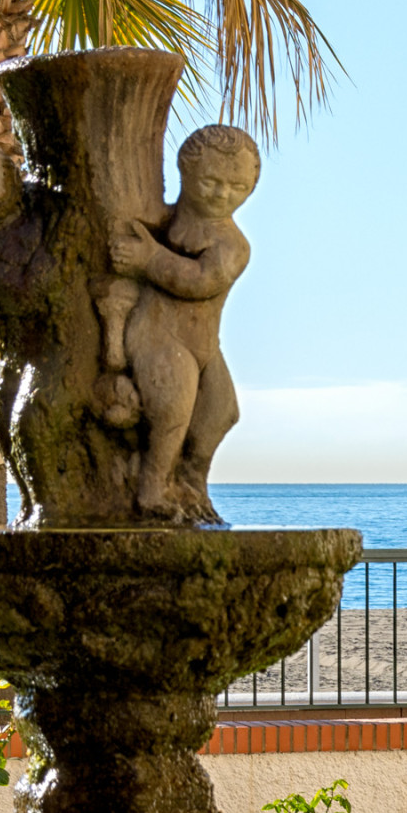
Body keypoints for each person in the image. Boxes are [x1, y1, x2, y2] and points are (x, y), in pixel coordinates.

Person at [103, 124, 261, 518]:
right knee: (172, 410)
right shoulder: (162, 220)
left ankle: (191, 484)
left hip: (205, 344)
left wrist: (149, 259)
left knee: (221, 413)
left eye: (237, 187)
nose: (222, 194)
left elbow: (201, 281)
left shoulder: (232, 245)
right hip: (159, 334)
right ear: (185, 172)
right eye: (210, 181)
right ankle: (153, 489)